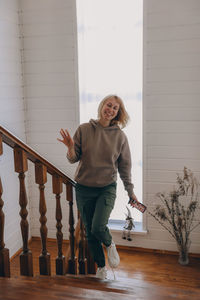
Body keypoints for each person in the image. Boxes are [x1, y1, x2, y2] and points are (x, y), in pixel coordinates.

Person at [58, 95, 138, 280]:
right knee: (90, 231)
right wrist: (70, 147)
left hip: (106, 188)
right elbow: (73, 158)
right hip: (84, 188)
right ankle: (101, 267)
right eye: (108, 105)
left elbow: (125, 167)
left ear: (118, 113)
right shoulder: (84, 129)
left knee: (98, 226)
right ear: (102, 106)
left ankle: (110, 244)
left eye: (115, 108)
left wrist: (130, 191)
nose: (110, 109)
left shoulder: (120, 137)